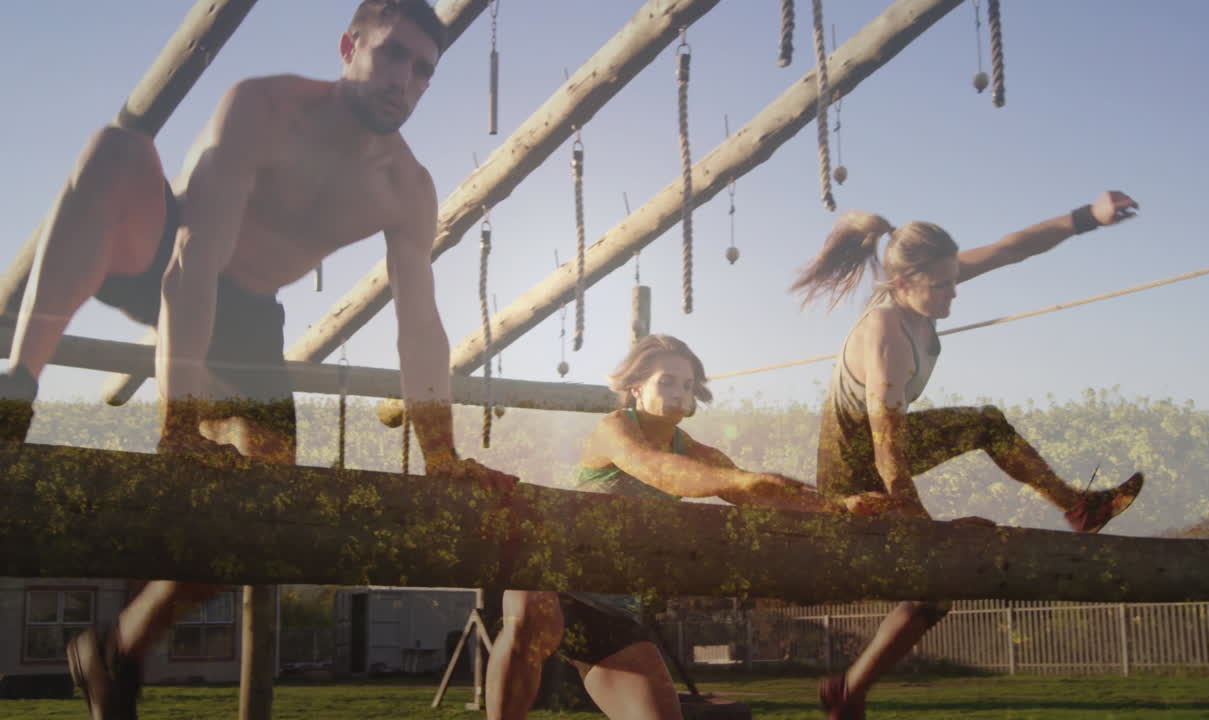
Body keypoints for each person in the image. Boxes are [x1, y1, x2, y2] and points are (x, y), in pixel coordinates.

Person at [0, 2, 516, 717]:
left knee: (260, 519)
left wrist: (442, 455)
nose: (407, 80)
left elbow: (419, 324)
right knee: (117, 149)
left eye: (424, 69)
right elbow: (194, 261)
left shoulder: (406, 187)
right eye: (394, 54)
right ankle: (16, 391)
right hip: (166, 248)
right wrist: (177, 427)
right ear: (349, 45)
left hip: (251, 325)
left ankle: (117, 649)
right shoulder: (265, 106)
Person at [792, 191, 1147, 719]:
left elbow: (1012, 247)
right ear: (902, 283)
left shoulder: (926, 285)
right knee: (937, 589)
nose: (954, 294)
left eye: (956, 279)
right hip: (856, 470)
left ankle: (1079, 508)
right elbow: (887, 447)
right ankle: (848, 691)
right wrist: (919, 523)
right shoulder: (885, 332)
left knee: (985, 423)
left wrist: (1085, 218)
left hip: (892, 442)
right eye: (943, 287)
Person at [485, 334, 913, 720]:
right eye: (666, 381)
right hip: (554, 581)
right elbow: (663, 473)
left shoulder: (697, 450)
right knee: (530, 613)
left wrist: (837, 507)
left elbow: (759, 494)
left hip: (615, 610)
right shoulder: (614, 429)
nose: (679, 393)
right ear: (636, 388)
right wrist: (746, 481)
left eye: (687, 385)